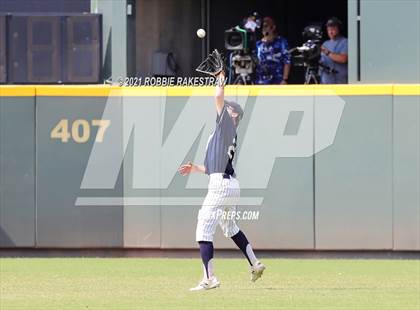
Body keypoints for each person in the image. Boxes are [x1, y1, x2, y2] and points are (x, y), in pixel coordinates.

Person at [178, 69, 265, 291]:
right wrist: (195, 168)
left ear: (233, 115)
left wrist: (220, 78)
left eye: (228, 109)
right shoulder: (222, 132)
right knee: (230, 227)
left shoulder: (227, 125)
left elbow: (218, 96)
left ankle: (209, 279)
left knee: (203, 230)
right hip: (229, 183)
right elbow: (212, 167)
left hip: (221, 185)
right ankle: (255, 263)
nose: (224, 108)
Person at [255, 16, 291, 85]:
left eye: (266, 26)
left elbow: (287, 61)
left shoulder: (281, 42)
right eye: (262, 27)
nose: (264, 29)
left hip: (277, 79)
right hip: (261, 80)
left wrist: (284, 79)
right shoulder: (258, 44)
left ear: (273, 27)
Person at [320, 17, 348, 84]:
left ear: (339, 29)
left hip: (340, 83)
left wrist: (327, 52)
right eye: (328, 30)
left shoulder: (345, 42)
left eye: (333, 29)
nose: (330, 32)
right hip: (325, 83)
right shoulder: (325, 43)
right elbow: (322, 61)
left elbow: (343, 59)